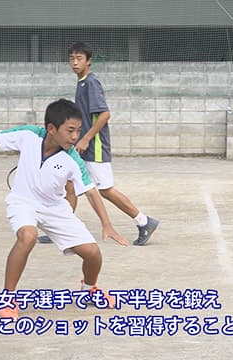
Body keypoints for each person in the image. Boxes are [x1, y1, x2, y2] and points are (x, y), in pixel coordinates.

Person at [0, 98, 128, 320]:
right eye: (70, 130)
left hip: (55, 208)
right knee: (28, 236)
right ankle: (7, 298)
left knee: (93, 254)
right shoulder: (29, 135)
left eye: (78, 131)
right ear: (51, 128)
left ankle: (89, 290)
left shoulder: (73, 160)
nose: (75, 137)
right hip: (23, 202)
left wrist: (107, 224)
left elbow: (90, 191)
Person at [68, 41, 159, 246]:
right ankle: (62, 227)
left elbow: (105, 114)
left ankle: (144, 222)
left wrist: (86, 138)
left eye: (79, 58)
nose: (74, 62)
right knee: (70, 185)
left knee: (105, 190)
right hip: (84, 146)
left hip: (95, 146)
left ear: (88, 61)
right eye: (72, 58)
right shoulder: (82, 82)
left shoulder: (91, 82)